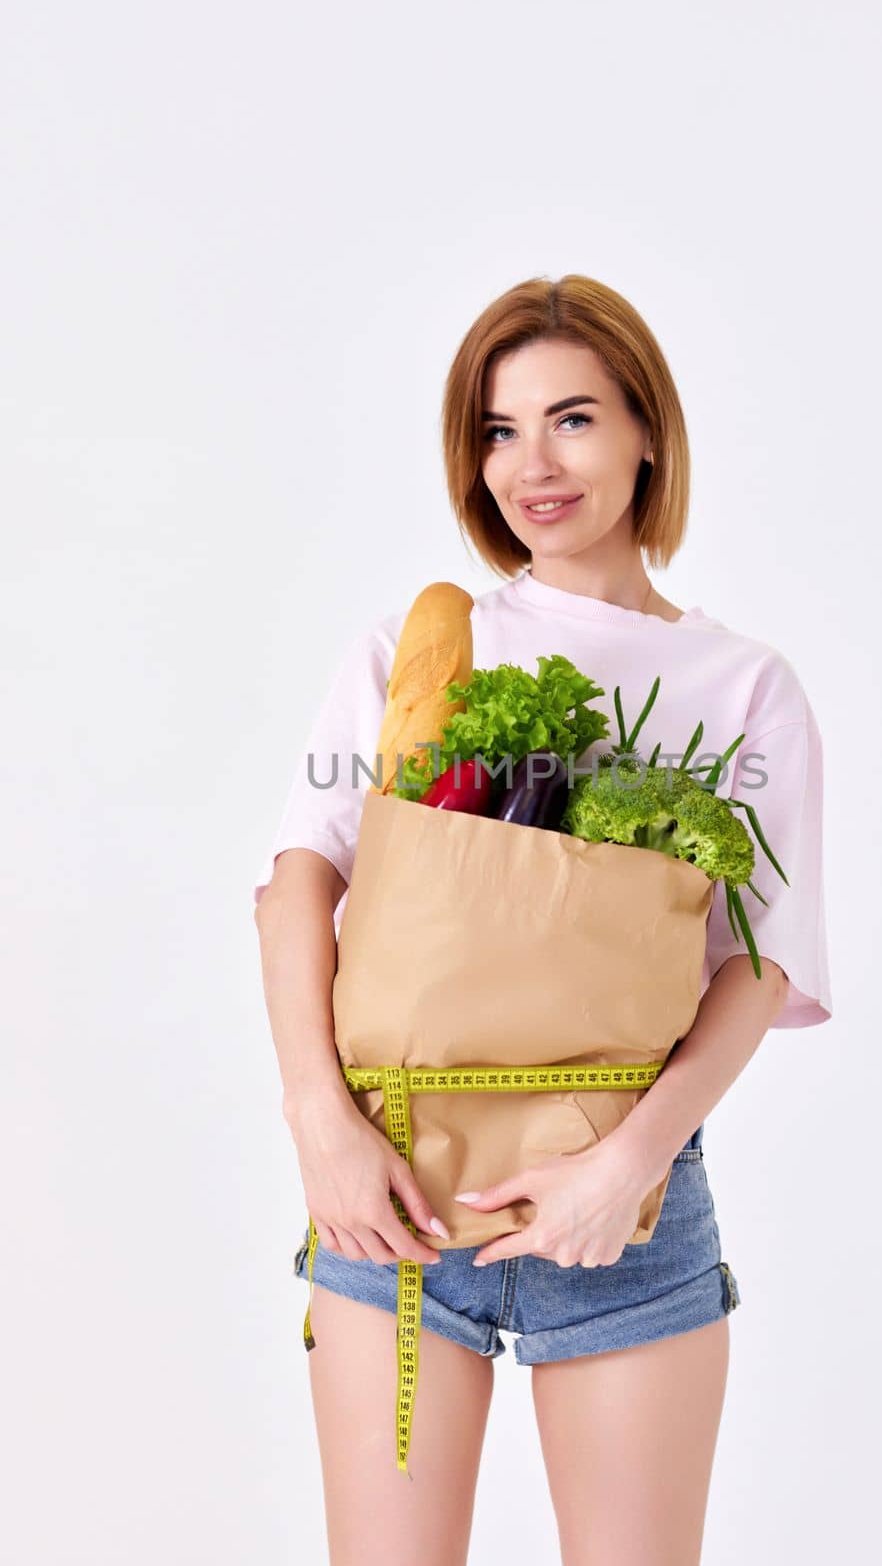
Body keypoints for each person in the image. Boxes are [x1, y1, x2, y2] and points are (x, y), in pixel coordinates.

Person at [253, 274, 832, 1566]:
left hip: (620, 1205)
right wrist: (320, 1126)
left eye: (572, 419)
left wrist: (623, 1166)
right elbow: (297, 881)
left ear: (646, 432)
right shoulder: (418, 650)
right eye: (498, 431)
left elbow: (758, 963)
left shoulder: (742, 688)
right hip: (391, 1188)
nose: (532, 465)